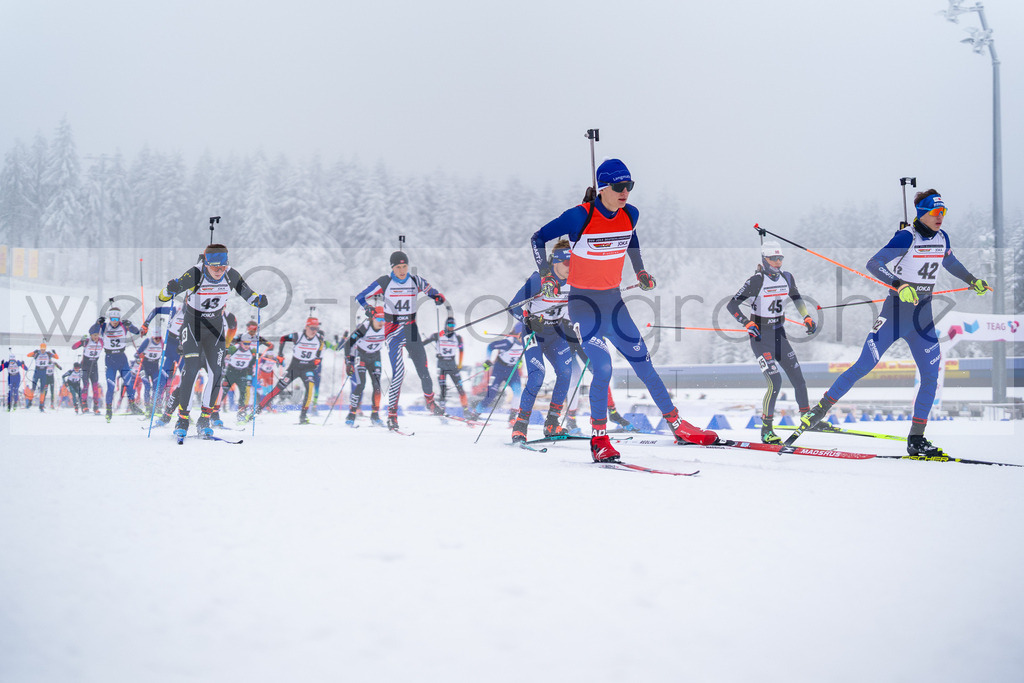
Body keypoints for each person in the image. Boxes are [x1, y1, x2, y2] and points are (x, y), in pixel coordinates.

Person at [530, 158, 717, 462]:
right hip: (584, 306)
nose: (625, 192)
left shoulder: (631, 214)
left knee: (644, 364)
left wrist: (640, 270)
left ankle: (677, 425)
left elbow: (631, 238)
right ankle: (599, 439)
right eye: (619, 186)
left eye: (629, 185)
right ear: (603, 187)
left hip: (614, 304)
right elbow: (537, 238)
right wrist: (547, 276)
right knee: (603, 367)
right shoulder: (579, 217)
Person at [796, 190, 990, 456]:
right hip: (895, 315)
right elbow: (874, 263)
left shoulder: (942, 237)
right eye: (936, 212)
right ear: (923, 213)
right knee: (864, 365)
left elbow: (950, 261)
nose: (940, 217)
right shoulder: (906, 237)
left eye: (943, 212)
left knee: (931, 376)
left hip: (922, 319)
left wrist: (972, 280)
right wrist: (899, 285)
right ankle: (819, 410)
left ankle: (917, 438)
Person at [158, 243, 267, 438]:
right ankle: (182, 419)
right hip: (193, 326)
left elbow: (249, 295)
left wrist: (258, 300)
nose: (219, 270)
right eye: (215, 266)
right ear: (206, 264)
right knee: (191, 370)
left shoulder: (231, 274)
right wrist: (169, 289)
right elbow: (163, 297)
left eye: (222, 266)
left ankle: (205, 419)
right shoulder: (195, 273)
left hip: (215, 328)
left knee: (216, 373)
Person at [727, 242, 817, 443]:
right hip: (760, 338)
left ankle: (807, 416)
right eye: (773, 258)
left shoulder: (787, 277)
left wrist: (807, 317)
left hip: (779, 335)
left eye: (780, 258)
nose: (778, 262)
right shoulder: (756, 281)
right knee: (775, 382)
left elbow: (797, 298)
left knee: (798, 378)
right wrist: (746, 322)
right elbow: (731, 305)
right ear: (765, 260)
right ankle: (766, 430)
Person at [355, 250, 448, 431]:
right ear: (392, 268)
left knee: (424, 370)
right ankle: (392, 416)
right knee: (398, 373)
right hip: (393, 332)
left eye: (404, 266)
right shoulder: (385, 282)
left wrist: (438, 297)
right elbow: (361, 296)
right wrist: (368, 308)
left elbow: (432, 292)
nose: (402, 270)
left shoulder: (416, 280)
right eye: (398, 267)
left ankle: (430, 402)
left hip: (411, 330)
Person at [506, 242, 574, 442]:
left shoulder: (575, 281)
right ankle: (520, 425)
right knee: (537, 376)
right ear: (556, 262)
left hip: (556, 333)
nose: (571, 267)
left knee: (566, 372)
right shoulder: (539, 280)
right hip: (534, 333)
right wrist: (528, 320)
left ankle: (552, 422)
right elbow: (513, 307)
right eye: (568, 263)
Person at [254, 317, 324, 424]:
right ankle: (255, 412)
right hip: (294, 368)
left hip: (308, 368)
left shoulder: (319, 338)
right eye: (312, 328)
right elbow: (283, 338)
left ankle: (303, 417)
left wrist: (318, 358)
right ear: (306, 327)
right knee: (277, 390)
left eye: (316, 329)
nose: (314, 331)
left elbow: (321, 347)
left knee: (310, 388)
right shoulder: (297, 336)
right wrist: (280, 354)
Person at [89, 306, 144, 420]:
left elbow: (137, 332)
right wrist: (97, 323)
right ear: (109, 318)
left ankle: (132, 405)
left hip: (122, 358)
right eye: (112, 319)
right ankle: (109, 410)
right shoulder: (104, 326)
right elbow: (92, 331)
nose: (114, 322)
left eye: (116, 319)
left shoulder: (123, 326)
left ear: (119, 318)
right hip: (110, 360)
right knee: (111, 386)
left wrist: (130, 325)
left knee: (129, 383)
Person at [344, 307, 386, 426]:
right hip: (361, 356)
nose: (381, 322)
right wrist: (349, 362)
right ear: (373, 318)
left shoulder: (387, 327)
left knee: (377, 386)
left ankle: (375, 415)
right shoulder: (364, 328)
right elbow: (348, 344)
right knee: (361, 384)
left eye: (383, 319)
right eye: (379, 319)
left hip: (375, 357)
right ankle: (352, 414)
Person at [422, 316, 471, 418]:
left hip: (453, 366)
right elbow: (424, 343)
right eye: (449, 324)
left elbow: (461, 351)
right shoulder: (438, 335)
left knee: (460, 388)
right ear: (445, 325)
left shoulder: (458, 338)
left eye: (453, 325)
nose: (451, 327)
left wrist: (460, 365)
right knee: (443, 389)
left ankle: (466, 410)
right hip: (442, 365)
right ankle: (442, 409)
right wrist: (414, 351)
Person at [221, 333, 261, 422]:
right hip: (231, 372)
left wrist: (256, 358)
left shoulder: (252, 350)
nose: (247, 345)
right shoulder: (234, 348)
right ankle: (214, 411)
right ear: (241, 342)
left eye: (249, 343)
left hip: (242, 373)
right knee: (223, 391)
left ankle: (241, 414)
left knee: (243, 393)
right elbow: (224, 357)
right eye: (245, 343)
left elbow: (252, 363)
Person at [72, 332, 104, 414]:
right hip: (85, 367)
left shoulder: (101, 341)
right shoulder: (86, 341)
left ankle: (96, 407)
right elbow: (73, 347)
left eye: (97, 335)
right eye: (94, 335)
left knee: (95, 387)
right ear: (91, 336)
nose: (96, 337)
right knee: (86, 386)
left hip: (94, 367)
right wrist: (81, 341)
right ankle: (84, 406)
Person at [26, 342, 59, 412]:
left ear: (45, 349)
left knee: (42, 389)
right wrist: (34, 352)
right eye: (42, 349)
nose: (43, 351)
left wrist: (54, 353)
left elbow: (57, 357)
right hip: (37, 371)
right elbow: (28, 355)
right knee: (33, 387)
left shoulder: (48, 354)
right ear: (40, 348)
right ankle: (29, 402)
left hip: (44, 372)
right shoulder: (37, 353)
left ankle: (41, 405)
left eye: (44, 349)